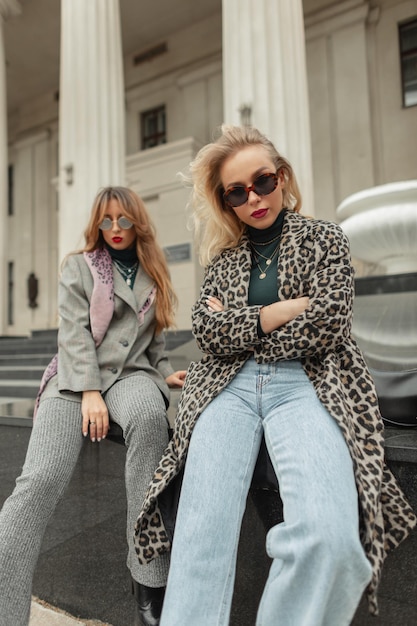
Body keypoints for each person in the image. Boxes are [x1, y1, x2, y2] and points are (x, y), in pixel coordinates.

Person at [134, 126, 417, 626]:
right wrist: (275, 313)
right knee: (199, 540)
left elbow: (328, 323)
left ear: (281, 177)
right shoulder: (223, 259)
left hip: (305, 385)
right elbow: (206, 331)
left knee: (330, 539)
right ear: (227, 202)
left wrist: (240, 325)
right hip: (228, 388)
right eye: (236, 192)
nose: (253, 198)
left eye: (262, 181)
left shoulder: (326, 237)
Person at [0, 186, 186, 626]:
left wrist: (166, 374)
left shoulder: (152, 272)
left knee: (147, 416)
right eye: (106, 220)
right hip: (72, 380)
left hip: (132, 378)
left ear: (137, 221)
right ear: (96, 224)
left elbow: (154, 345)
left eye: (123, 220)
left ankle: (149, 584)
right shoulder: (78, 267)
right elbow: (73, 335)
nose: (115, 229)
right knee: (39, 481)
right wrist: (88, 393)